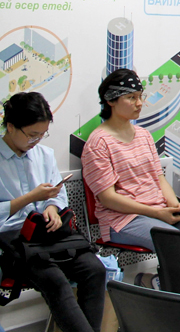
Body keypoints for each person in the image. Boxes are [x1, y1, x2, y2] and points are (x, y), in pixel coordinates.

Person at [82, 69, 180, 260]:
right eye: (131, 98)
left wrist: (173, 205)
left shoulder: (143, 135)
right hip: (123, 220)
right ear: (111, 101)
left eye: (140, 96)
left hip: (159, 210)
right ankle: (160, 286)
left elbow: (158, 177)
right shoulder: (98, 143)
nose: (139, 103)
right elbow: (108, 198)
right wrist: (156, 213)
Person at [0, 93, 105, 332]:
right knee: (55, 281)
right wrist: (29, 198)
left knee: (95, 270)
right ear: (10, 126)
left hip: (52, 236)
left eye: (42, 134)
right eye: (32, 135)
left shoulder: (44, 154)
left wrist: (52, 208)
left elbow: (58, 194)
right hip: (17, 241)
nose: (36, 141)